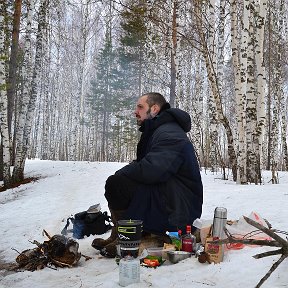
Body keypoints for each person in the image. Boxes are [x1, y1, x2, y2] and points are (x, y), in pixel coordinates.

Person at [92, 92, 203, 257]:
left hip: (179, 206)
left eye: (140, 107)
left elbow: (154, 170)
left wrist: (123, 172)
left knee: (118, 183)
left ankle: (137, 236)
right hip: (167, 193)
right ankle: (122, 234)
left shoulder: (169, 132)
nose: (135, 111)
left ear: (155, 109)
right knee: (118, 184)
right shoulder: (158, 130)